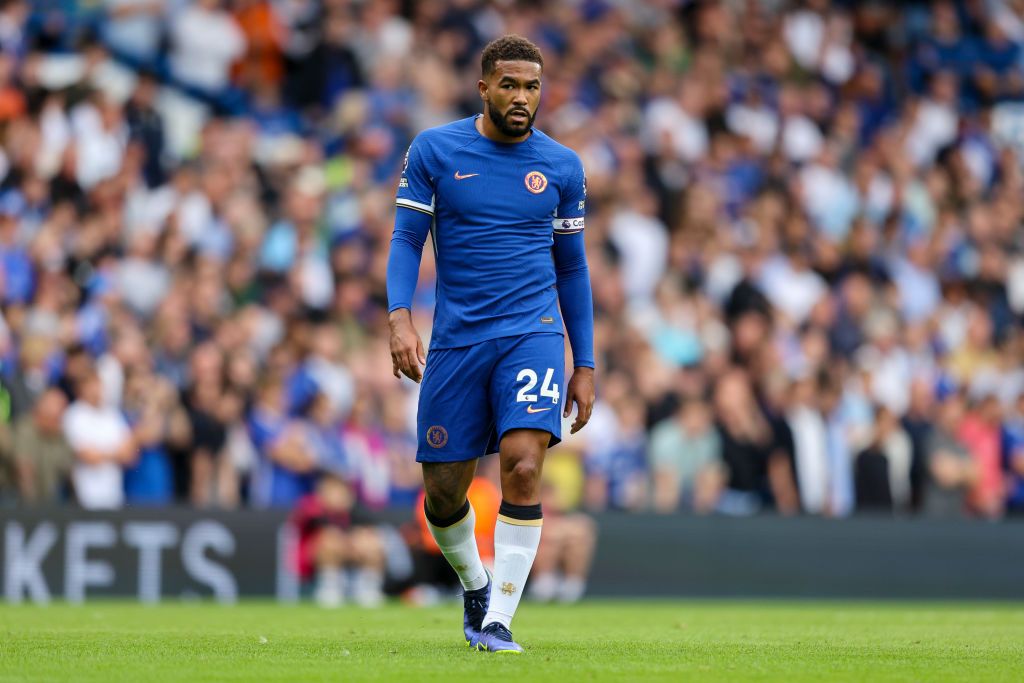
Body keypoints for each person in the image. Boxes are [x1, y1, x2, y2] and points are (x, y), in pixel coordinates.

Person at [386, 35, 595, 653]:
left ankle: (499, 621)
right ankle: (475, 584)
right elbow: (405, 240)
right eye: (509, 84)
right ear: (484, 87)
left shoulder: (562, 166)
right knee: (444, 491)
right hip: (456, 344)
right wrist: (399, 317)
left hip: (532, 336)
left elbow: (574, 271)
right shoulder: (435, 149)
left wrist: (584, 362)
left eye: (532, 86)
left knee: (525, 464)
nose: (522, 97)